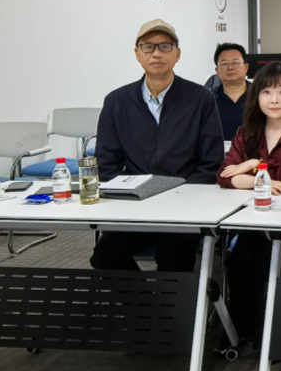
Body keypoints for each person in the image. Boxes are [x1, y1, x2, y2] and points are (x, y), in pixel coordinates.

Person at [91, 19, 224, 272]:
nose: (156, 53)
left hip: (185, 204)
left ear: (177, 54)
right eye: (148, 46)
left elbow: (212, 161)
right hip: (135, 205)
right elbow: (105, 164)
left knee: (174, 254)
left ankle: (172, 299)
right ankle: (143, 299)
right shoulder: (117, 101)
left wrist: (180, 195)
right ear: (137, 54)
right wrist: (132, 193)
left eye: (165, 46)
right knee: (105, 256)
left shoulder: (200, 99)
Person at [217, 61, 281, 347]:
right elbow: (225, 176)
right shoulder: (245, 133)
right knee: (238, 260)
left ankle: (271, 334)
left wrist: (253, 165)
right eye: (266, 92)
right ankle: (239, 330)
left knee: (267, 256)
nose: (274, 99)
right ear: (257, 96)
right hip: (258, 217)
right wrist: (260, 179)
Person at [212, 43, 250, 142]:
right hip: (219, 151)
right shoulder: (208, 99)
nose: (230, 67)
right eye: (224, 64)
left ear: (246, 67)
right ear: (217, 70)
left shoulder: (262, 95)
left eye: (236, 62)